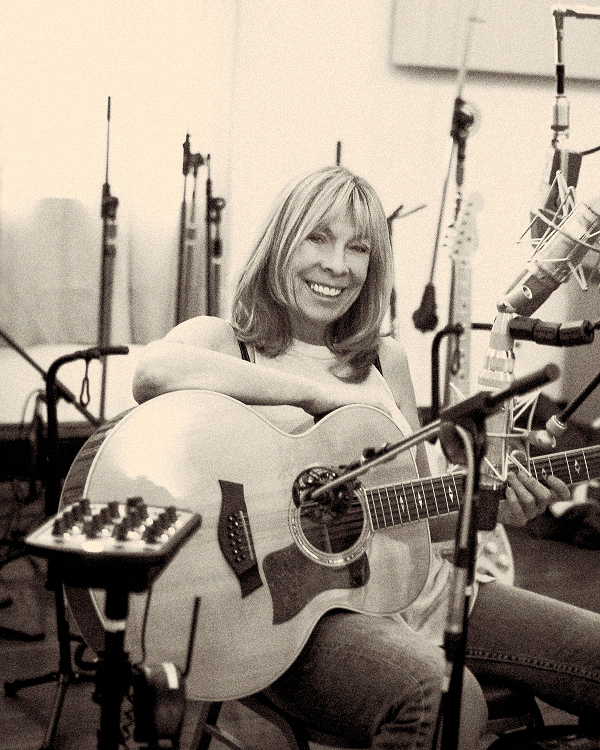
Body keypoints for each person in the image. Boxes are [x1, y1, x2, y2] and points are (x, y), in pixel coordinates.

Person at [132, 166, 600, 749]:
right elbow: (151, 374)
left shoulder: (384, 359)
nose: (339, 265)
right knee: (442, 699)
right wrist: (315, 392)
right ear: (280, 240)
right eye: (318, 238)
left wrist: (495, 506)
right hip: (281, 616)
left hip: (411, 592)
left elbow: (420, 522)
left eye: (359, 248)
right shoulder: (226, 342)